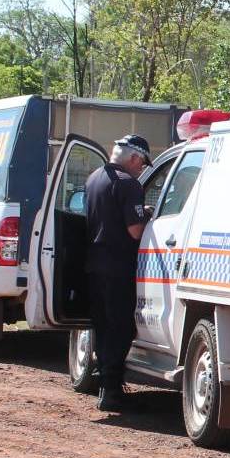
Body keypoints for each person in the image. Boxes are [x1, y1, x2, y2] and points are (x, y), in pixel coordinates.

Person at [84, 134, 153, 412]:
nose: (141, 169)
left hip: (94, 265)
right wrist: (146, 215)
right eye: (142, 164)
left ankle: (105, 383)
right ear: (134, 158)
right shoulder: (129, 185)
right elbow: (134, 230)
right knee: (121, 327)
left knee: (102, 326)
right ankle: (111, 390)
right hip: (118, 268)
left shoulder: (93, 178)